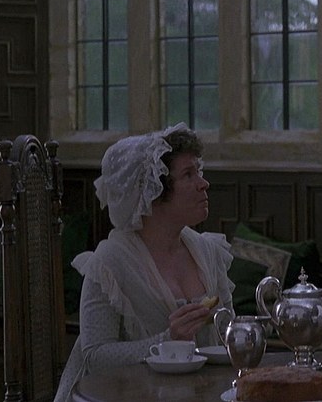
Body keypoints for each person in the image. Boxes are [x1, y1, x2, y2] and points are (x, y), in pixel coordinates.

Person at [54, 123, 234, 402]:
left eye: (198, 171)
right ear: (153, 192)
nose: (203, 183)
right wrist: (166, 341)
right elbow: (94, 356)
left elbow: (228, 333)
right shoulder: (110, 263)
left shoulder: (208, 251)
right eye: (188, 174)